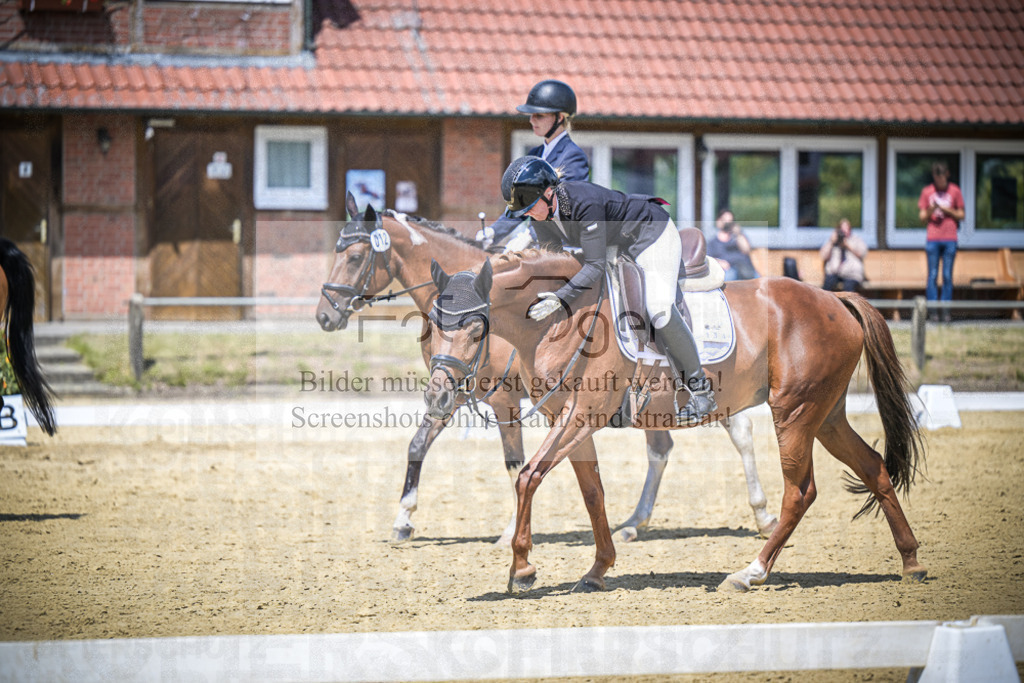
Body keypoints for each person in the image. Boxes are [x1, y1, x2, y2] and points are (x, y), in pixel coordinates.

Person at [504, 156, 716, 423]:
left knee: (659, 309)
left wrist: (560, 299)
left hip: (651, 233)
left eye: (530, 206)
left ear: (549, 193)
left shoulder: (584, 202)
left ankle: (701, 390)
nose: (526, 214)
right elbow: (555, 261)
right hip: (619, 246)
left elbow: (594, 266)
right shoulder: (540, 215)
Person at [477, 80, 590, 250]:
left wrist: (530, 236)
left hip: (564, 246)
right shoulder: (534, 155)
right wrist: (494, 232)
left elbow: (564, 208)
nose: (531, 120)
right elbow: (520, 204)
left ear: (559, 118)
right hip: (539, 246)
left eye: (539, 115)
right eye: (531, 115)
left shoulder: (573, 157)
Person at [918, 161, 964, 322]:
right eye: (936, 180)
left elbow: (962, 215)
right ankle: (932, 312)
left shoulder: (955, 190)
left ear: (947, 175)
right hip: (933, 239)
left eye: (942, 180)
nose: (939, 183)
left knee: (947, 276)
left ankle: (946, 311)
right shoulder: (927, 191)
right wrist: (932, 208)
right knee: (932, 276)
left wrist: (945, 209)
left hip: (950, 238)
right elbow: (922, 217)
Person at [707, 208, 759, 280]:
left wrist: (738, 234)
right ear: (718, 221)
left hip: (745, 269)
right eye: (724, 220)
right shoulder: (712, 242)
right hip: (728, 270)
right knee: (729, 276)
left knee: (760, 281)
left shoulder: (738, 236)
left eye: (730, 221)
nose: (727, 223)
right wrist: (719, 262)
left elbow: (747, 250)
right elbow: (708, 259)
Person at [819, 217, 868, 292]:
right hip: (835, 273)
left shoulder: (856, 239)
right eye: (842, 229)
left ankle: (847, 304)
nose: (844, 232)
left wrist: (848, 245)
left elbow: (862, 253)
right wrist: (831, 242)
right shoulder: (833, 241)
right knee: (827, 285)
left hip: (852, 274)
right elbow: (823, 256)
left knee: (848, 289)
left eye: (847, 229)